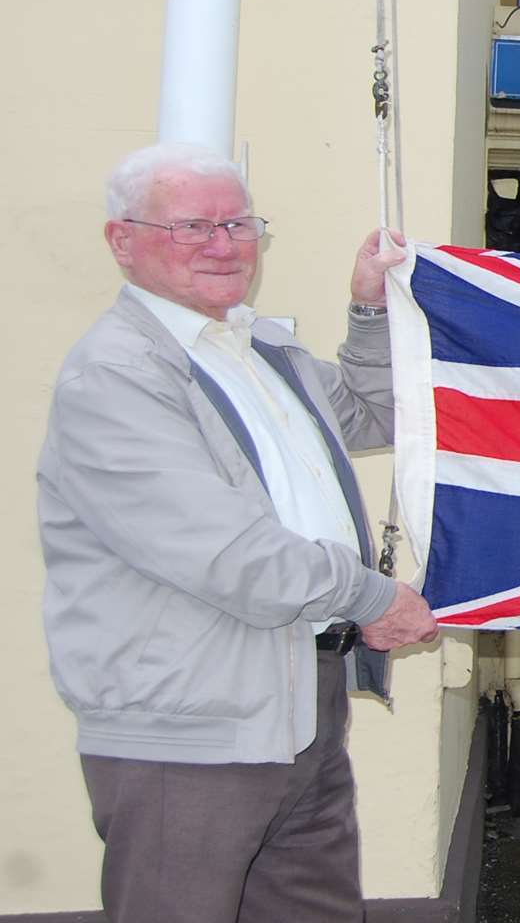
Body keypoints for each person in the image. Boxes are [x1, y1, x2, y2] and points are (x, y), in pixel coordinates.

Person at [38, 142, 441, 922]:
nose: (222, 246)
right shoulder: (118, 375)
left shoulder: (259, 349)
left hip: (303, 698)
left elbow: (376, 411)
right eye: (191, 225)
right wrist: (371, 596)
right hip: (188, 730)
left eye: (239, 224)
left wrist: (369, 307)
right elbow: (231, 557)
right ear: (123, 240)